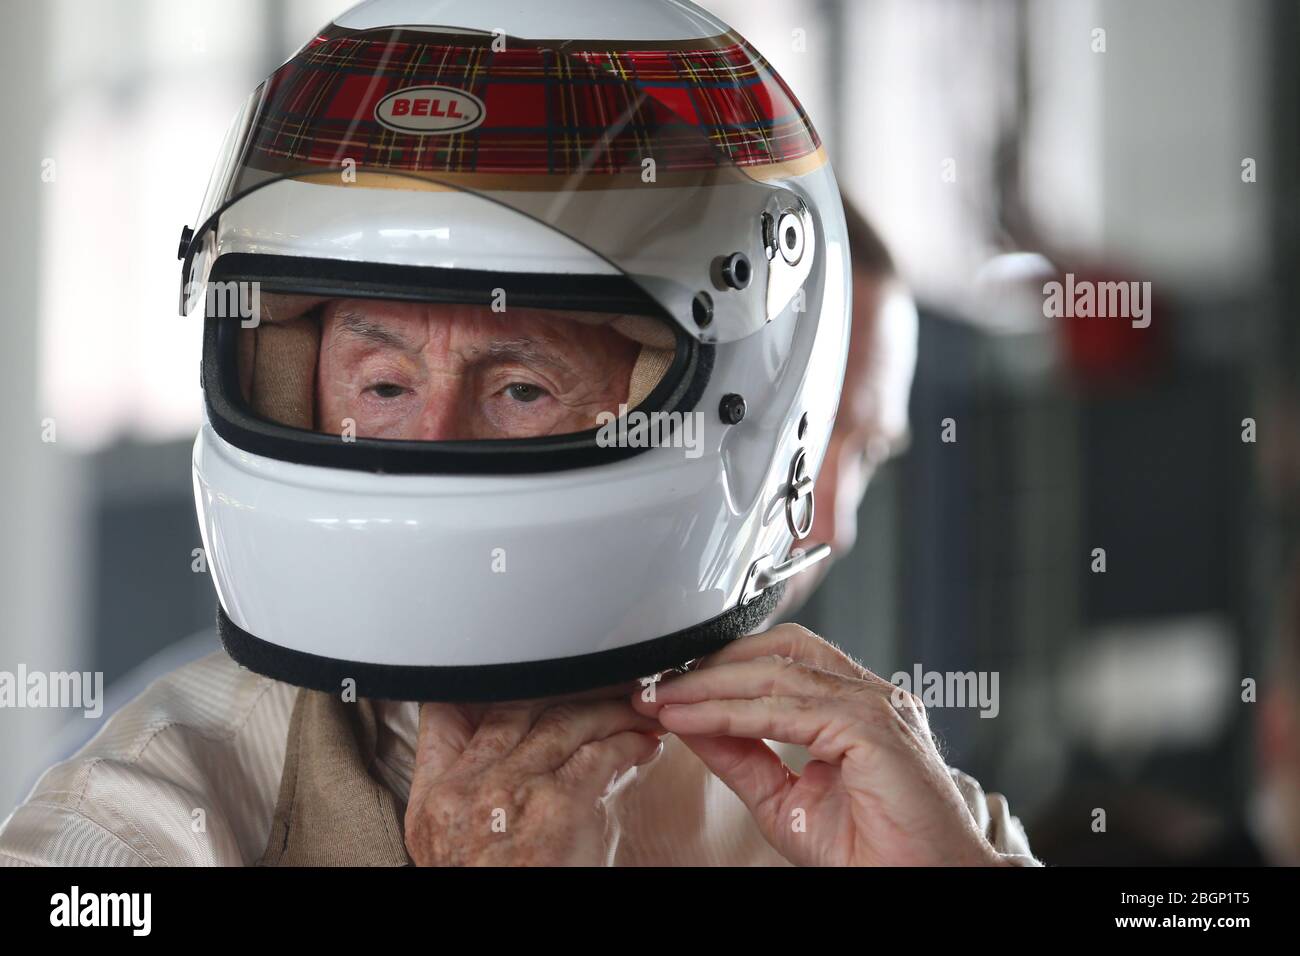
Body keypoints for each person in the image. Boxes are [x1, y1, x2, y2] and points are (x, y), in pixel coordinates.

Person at [0, 0, 1035, 867]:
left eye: (523, 388)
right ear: (289, 377)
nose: (427, 441)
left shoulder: (868, 793)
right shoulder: (143, 819)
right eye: (384, 379)